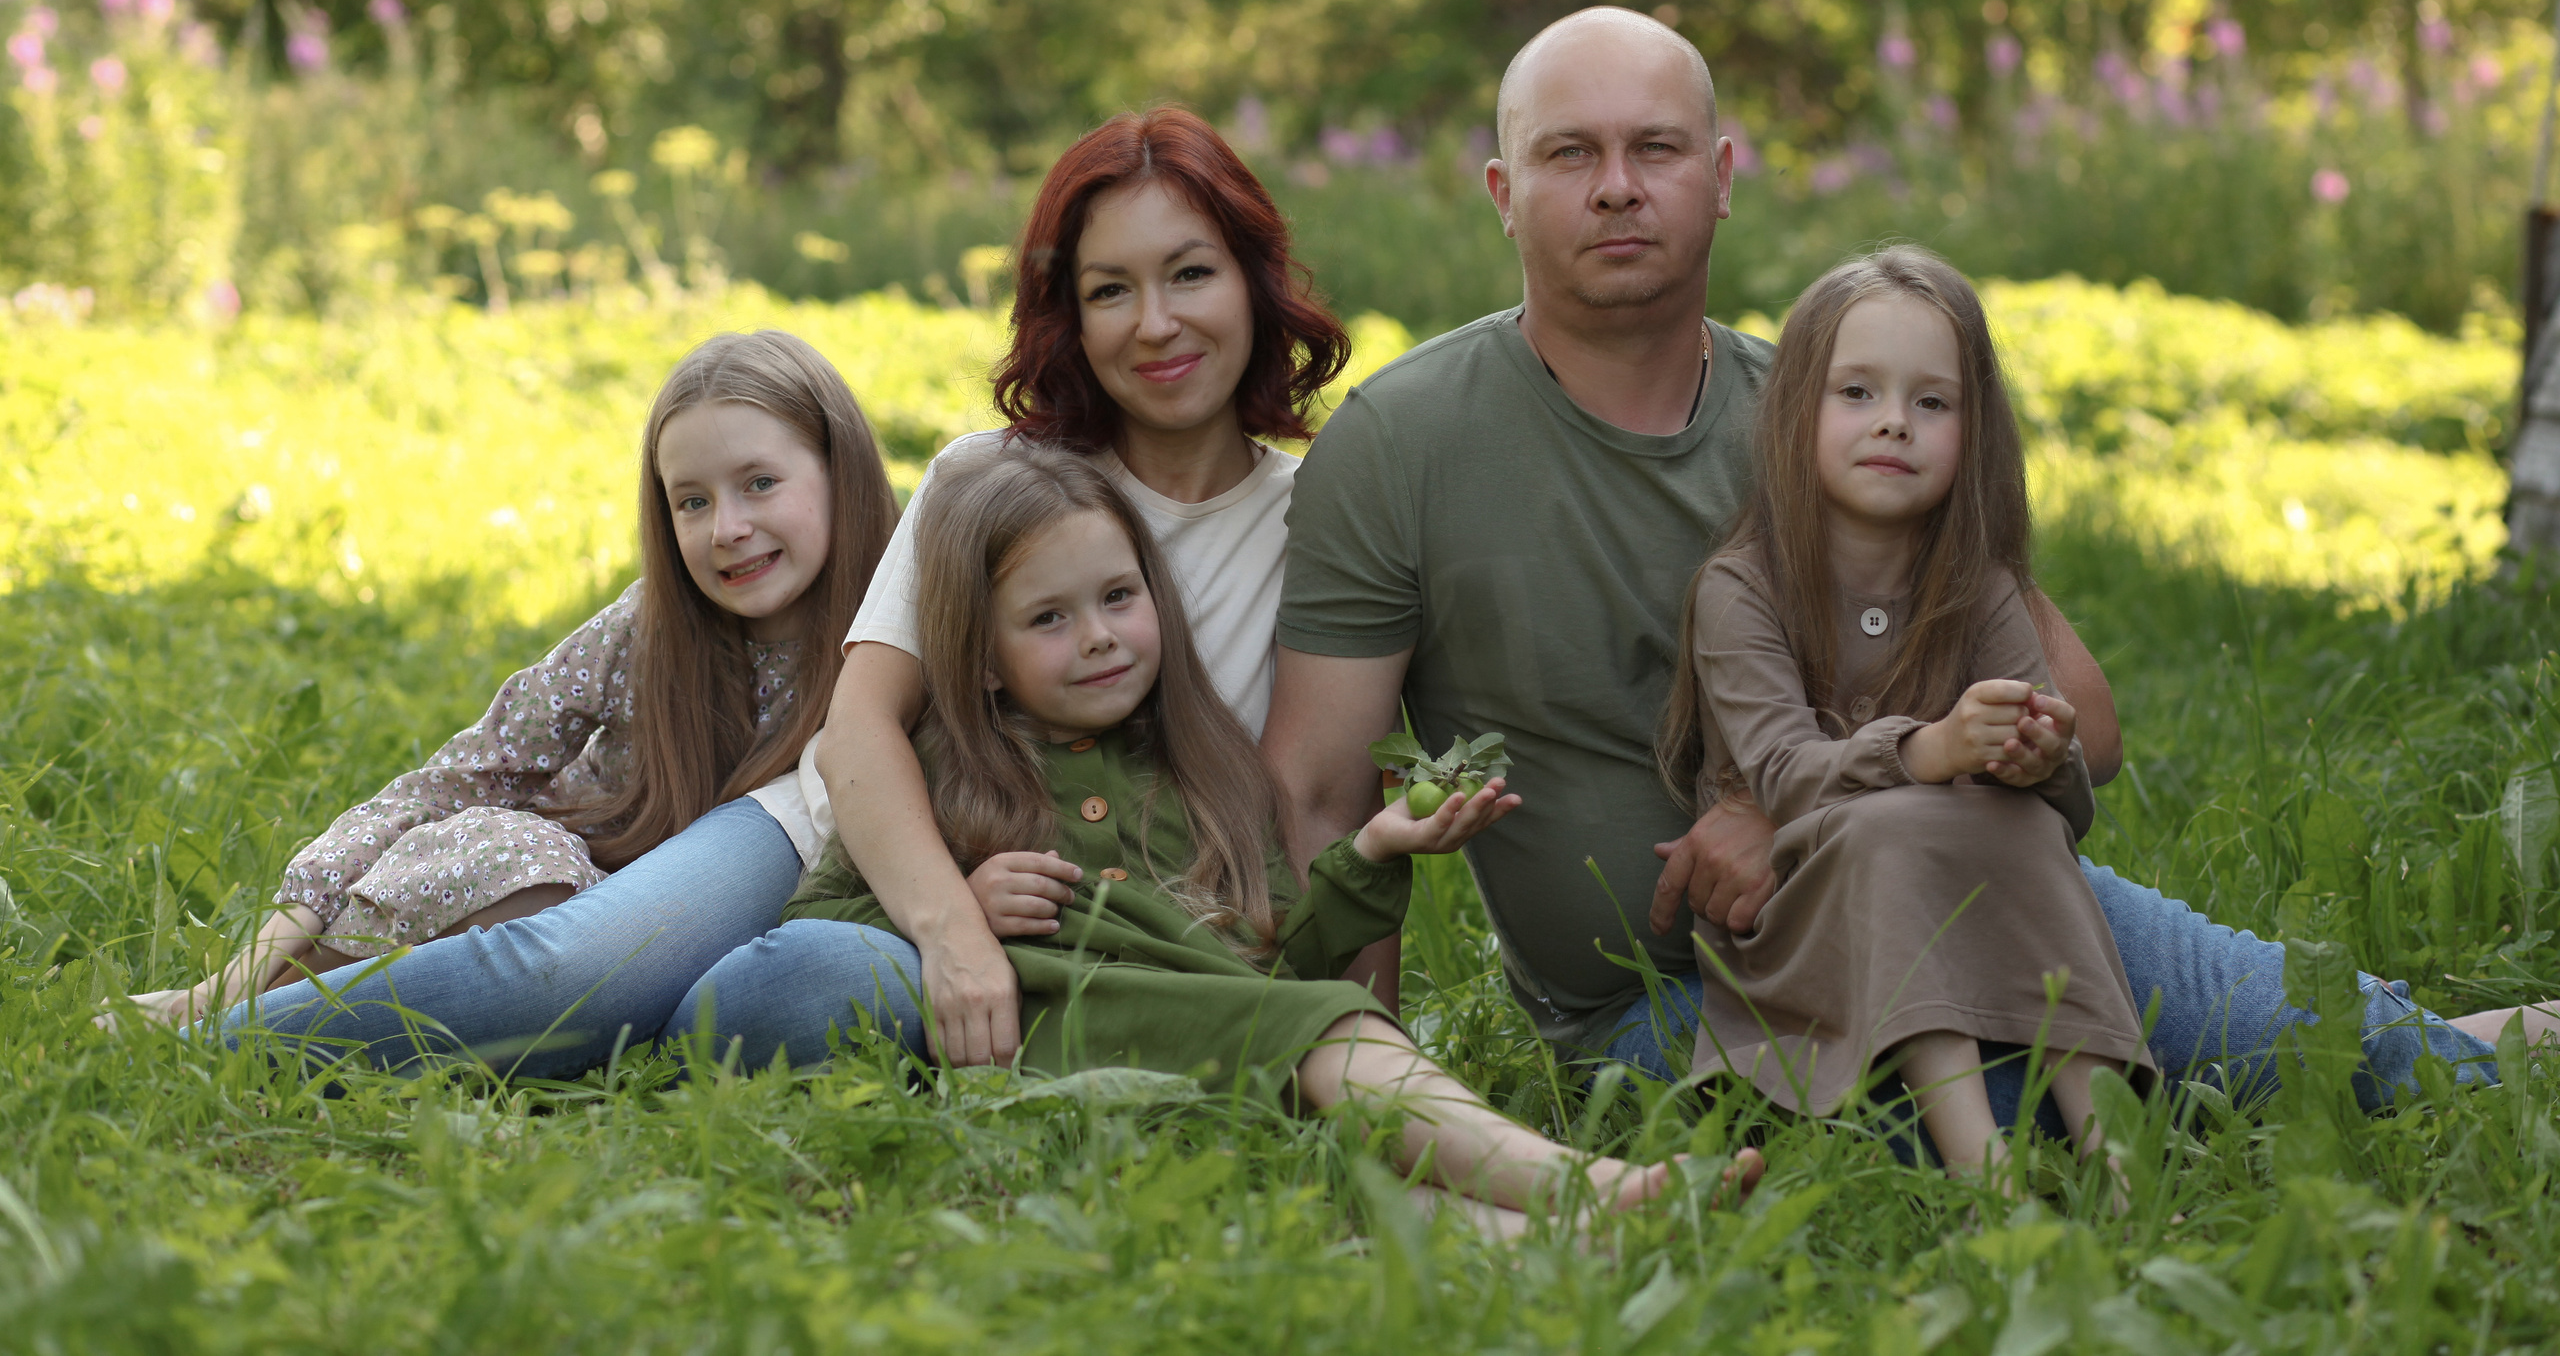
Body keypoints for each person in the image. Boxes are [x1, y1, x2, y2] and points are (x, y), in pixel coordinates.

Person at [1266, 4, 2511, 1130]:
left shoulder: (1844, 416)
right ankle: (2443, 1044)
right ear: (1500, 188)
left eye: (1653, 149)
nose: (1615, 189)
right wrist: (1377, 1090)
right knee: (2069, 1102)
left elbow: (2084, 722)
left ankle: (2459, 1050)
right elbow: (1322, 798)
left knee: (2328, 1049)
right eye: (1568, 154)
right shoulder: (1402, 445)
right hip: (1669, 1005)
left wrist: (1786, 799)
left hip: (1956, 900)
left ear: (1719, 178)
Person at [774, 441, 1755, 1226]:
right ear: (981, 660)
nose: (1102, 636)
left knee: (1340, 1172)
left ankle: (1576, 1239)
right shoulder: (950, 779)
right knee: (1329, 1030)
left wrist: (1372, 854)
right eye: (1049, 619)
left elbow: (1275, 951)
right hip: (1080, 1081)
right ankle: (1581, 1184)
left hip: (1218, 1083)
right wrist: (954, 914)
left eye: (1118, 598)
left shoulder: (1199, 774)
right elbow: (826, 925)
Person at [677, 107, 1347, 1066]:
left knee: (785, 999)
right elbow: (859, 727)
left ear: (1255, 278)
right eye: (1111, 289)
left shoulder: (1318, 524)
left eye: (1192, 272)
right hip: (841, 839)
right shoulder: (992, 474)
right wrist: (952, 927)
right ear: (1070, 315)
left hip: (1052, 931)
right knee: (564, 971)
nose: (1157, 323)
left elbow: (1324, 814)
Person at [178, 330, 896, 1076]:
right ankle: (281, 999)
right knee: (536, 878)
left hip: (691, 933)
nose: (727, 529)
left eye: (760, 483)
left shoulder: (893, 641)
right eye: (691, 500)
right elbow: (456, 778)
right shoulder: (648, 630)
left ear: (838, 468)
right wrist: (240, 969)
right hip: (559, 897)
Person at [1661, 245, 2149, 1181]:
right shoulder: (1742, 588)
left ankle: (2120, 1160)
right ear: (1796, 411)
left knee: (2027, 831)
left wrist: (2038, 751)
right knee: (1888, 829)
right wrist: (1928, 750)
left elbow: (2066, 797)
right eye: (1857, 393)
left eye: (1931, 403)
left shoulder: (1978, 585)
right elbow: (1786, 777)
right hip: (1803, 922)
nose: (1894, 423)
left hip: (1972, 891)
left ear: (1974, 431)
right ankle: (1984, 1170)